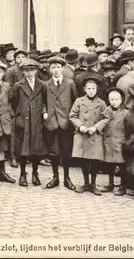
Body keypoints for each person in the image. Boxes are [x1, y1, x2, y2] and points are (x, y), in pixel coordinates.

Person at [42, 56, 78, 191]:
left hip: (66, 122)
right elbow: (43, 101)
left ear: (63, 68)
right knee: (53, 151)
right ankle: (55, 177)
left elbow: (75, 102)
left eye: (58, 67)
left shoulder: (70, 84)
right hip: (51, 121)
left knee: (66, 151)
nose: (56, 70)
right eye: (53, 67)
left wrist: (73, 118)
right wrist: (45, 112)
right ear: (50, 69)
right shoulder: (46, 85)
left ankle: (67, 178)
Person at [69, 76, 109, 196]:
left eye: (93, 88)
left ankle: (93, 184)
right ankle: (86, 183)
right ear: (85, 89)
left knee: (95, 160)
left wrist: (95, 127)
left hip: (95, 135)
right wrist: (80, 126)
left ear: (97, 90)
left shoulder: (101, 103)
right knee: (84, 160)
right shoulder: (79, 101)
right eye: (89, 88)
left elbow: (106, 118)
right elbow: (72, 115)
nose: (91, 91)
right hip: (82, 134)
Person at [10, 58, 47, 187]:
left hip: (36, 120)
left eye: (32, 70)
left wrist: (43, 113)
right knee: (23, 149)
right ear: (23, 72)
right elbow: (13, 102)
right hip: (24, 120)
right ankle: (22, 174)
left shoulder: (42, 85)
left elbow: (44, 102)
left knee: (36, 148)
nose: (29, 73)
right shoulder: (18, 86)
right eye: (26, 70)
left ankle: (35, 173)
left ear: (36, 71)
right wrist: (19, 116)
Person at [101, 87, 128, 196]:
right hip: (108, 141)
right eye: (111, 99)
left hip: (120, 141)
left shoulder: (126, 113)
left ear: (121, 100)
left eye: (117, 99)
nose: (114, 102)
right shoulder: (106, 111)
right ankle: (110, 183)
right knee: (109, 164)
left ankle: (122, 185)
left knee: (121, 164)